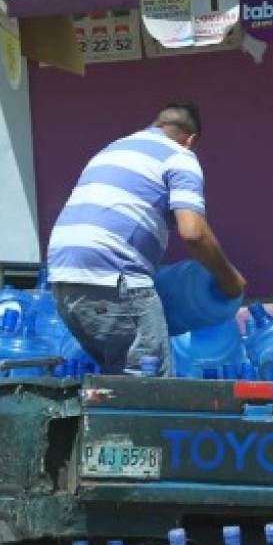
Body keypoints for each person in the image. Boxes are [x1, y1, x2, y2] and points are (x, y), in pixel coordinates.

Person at [46, 102, 245, 376]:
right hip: (113, 279)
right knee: (148, 385)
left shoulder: (113, 149)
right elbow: (194, 232)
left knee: (115, 384)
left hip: (63, 280)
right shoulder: (179, 156)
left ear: (157, 124)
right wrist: (228, 278)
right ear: (191, 139)